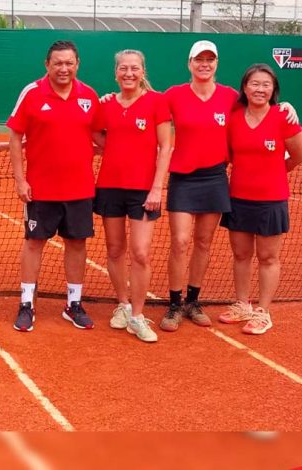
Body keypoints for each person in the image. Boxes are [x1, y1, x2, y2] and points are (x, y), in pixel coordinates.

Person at [161, 40, 297, 332]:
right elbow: (147, 103)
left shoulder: (230, 98)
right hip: (184, 179)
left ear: (217, 64)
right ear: (189, 63)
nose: (204, 64)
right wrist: (113, 96)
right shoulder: (173, 94)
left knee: (204, 242)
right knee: (181, 241)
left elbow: (263, 106)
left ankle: (193, 302)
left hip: (215, 179)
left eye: (210, 59)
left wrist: (284, 105)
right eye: (199, 59)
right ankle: (174, 304)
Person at [7, 40, 104, 332]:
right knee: (34, 243)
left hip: (80, 188)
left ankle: (73, 304)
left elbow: (100, 136)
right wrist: (20, 179)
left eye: (69, 63)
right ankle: (27, 303)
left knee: (77, 243)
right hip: (40, 188)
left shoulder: (90, 96)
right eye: (58, 63)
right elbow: (15, 136)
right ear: (47, 65)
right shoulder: (32, 92)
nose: (64, 68)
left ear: (77, 64)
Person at [219, 64, 302, 334]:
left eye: (266, 84)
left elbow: (298, 154)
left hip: (271, 200)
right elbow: (229, 155)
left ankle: (263, 312)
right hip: (238, 197)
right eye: (254, 84)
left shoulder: (283, 116)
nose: (260, 89)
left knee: (268, 257)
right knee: (241, 254)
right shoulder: (233, 118)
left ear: (273, 89)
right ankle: (242, 305)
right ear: (244, 87)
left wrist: (277, 171)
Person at [95, 50, 171, 343]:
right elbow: (96, 134)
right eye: (123, 68)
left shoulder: (157, 102)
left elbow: (165, 147)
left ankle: (138, 316)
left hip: (143, 190)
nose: (129, 73)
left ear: (142, 72)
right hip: (110, 186)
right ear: (116, 73)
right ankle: (123, 305)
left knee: (140, 252)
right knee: (115, 249)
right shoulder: (105, 104)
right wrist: (115, 147)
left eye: (134, 68)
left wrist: (156, 188)